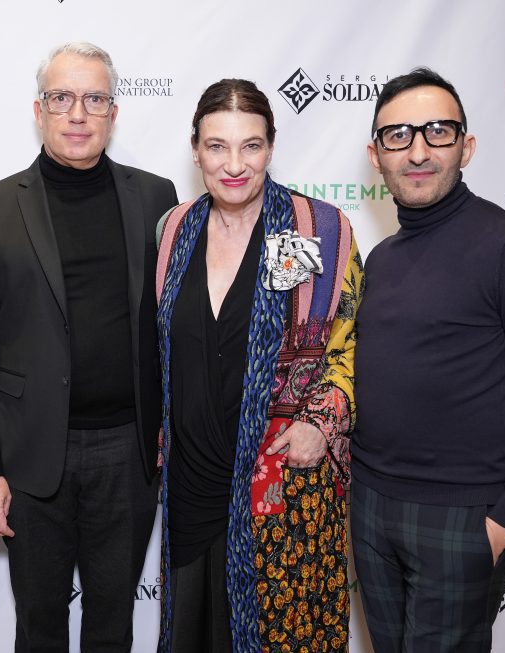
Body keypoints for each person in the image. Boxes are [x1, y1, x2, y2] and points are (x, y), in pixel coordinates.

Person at [351, 67, 505, 652]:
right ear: (375, 154)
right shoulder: (381, 259)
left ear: (467, 145)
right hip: (369, 510)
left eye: (437, 131)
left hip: (461, 522)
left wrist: (495, 527)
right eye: (397, 135)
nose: (416, 151)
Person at [0, 41, 177, 652]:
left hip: (128, 454)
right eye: (62, 98)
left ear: (112, 112)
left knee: (113, 623)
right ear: (39, 108)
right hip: (30, 460)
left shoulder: (158, 200)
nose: (78, 113)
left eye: (94, 98)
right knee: (40, 623)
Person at [155, 79, 364, 652]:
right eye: (217, 146)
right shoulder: (175, 229)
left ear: (271, 148)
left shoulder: (313, 229)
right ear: (195, 149)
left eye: (251, 146)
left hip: (279, 484)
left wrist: (320, 424)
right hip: (192, 481)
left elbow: (347, 344)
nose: (234, 164)